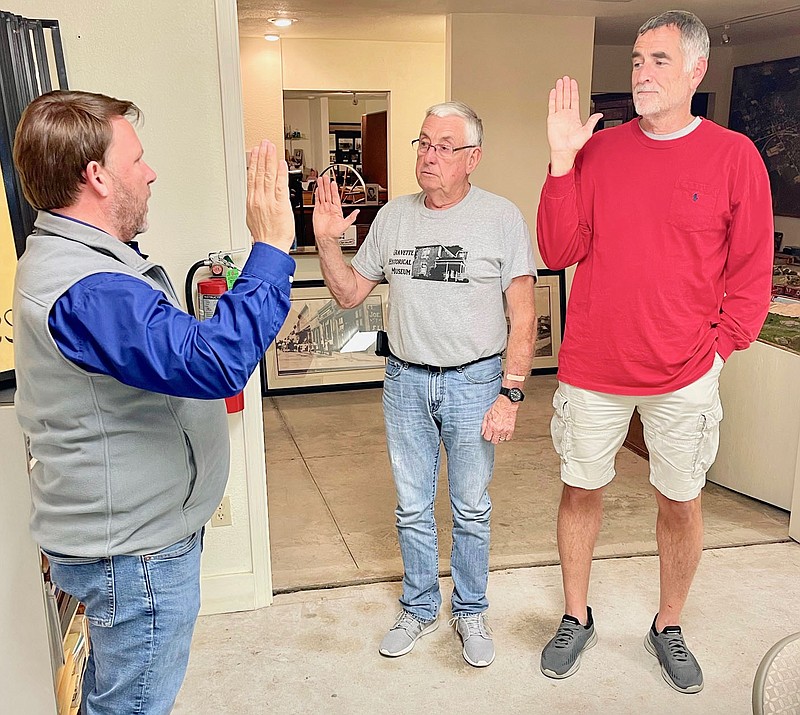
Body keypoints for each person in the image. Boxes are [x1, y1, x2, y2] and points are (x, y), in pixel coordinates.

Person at [12, 90, 295, 714]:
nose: (151, 171)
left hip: (131, 544)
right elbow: (217, 363)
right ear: (97, 177)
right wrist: (272, 249)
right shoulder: (87, 288)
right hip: (133, 558)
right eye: (136, 159)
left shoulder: (81, 262)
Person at [536, 10, 773, 694]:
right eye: (638, 60)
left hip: (686, 373)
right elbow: (557, 249)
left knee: (680, 498)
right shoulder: (600, 152)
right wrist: (560, 162)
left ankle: (668, 624)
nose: (642, 72)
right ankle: (575, 614)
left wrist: (719, 351)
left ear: (696, 70)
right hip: (592, 364)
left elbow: (751, 274)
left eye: (659, 60)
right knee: (581, 488)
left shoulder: (735, 157)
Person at [312, 101, 537, 668]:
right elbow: (348, 295)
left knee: (470, 507)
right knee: (412, 507)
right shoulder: (392, 217)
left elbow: (524, 315)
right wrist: (327, 241)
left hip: (476, 380)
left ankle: (470, 610)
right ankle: (418, 607)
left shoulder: (501, 218)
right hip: (405, 381)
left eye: (444, 146)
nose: (429, 156)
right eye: (424, 143)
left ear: (473, 159)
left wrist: (510, 394)